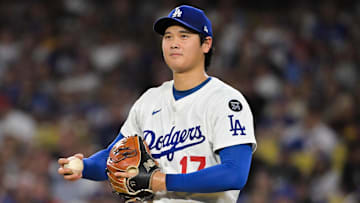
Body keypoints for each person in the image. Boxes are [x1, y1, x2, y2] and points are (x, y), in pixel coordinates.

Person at [58, 5, 257, 203]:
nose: (173, 43)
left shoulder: (226, 101)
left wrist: (162, 182)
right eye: (168, 37)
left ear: (205, 44)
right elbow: (113, 158)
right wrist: (84, 166)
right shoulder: (149, 100)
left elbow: (234, 173)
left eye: (184, 36)